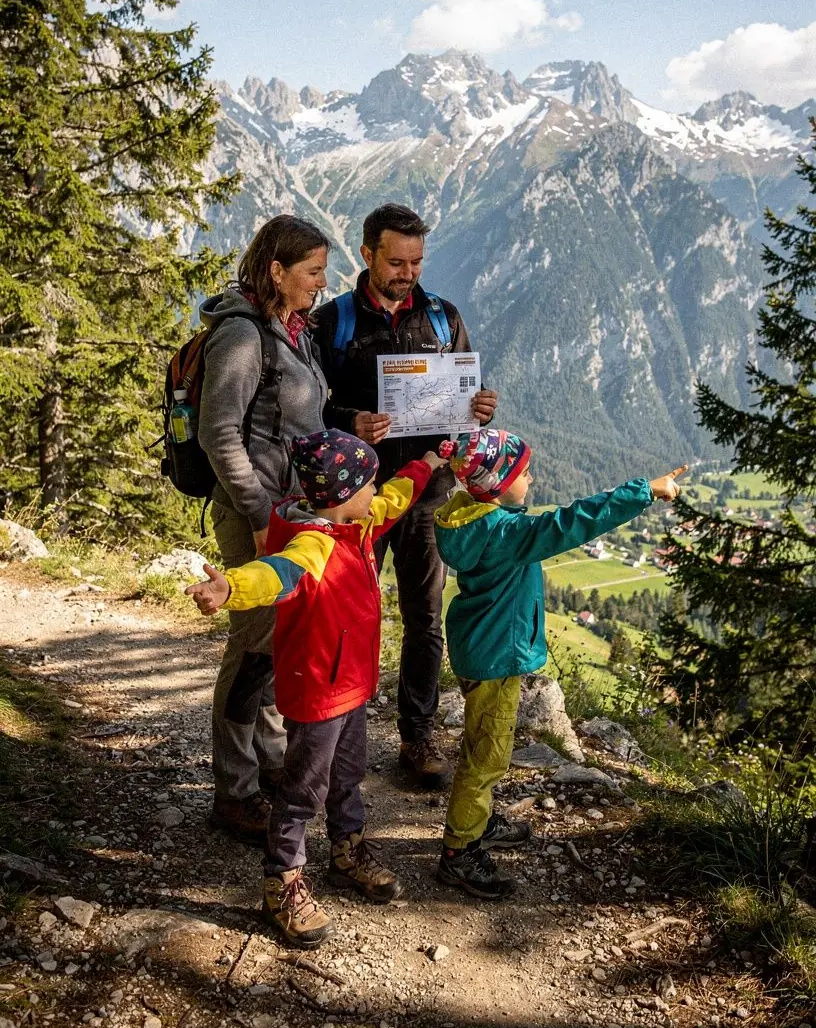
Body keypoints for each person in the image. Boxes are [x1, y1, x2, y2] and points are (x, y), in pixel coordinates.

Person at [186, 428, 445, 948]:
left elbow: (393, 497)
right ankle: (281, 880)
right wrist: (230, 588)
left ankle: (347, 851)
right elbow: (274, 574)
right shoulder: (312, 544)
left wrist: (426, 465)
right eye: (368, 484)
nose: (376, 492)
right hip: (319, 693)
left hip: (349, 686)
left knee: (348, 775)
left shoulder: (355, 523)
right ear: (344, 494)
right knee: (304, 788)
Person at [433, 427, 687, 899]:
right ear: (497, 485)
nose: (532, 478)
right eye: (525, 472)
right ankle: (460, 851)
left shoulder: (468, 517)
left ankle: (477, 822)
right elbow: (573, 522)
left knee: (483, 741)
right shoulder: (507, 533)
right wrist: (644, 491)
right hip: (496, 657)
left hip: (479, 647)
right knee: (486, 756)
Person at [314, 203, 498, 787]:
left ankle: (417, 736)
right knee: (346, 617)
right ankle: (336, 731)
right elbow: (308, 409)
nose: (408, 273)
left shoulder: (443, 318)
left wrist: (481, 407)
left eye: (416, 262)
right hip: (358, 497)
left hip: (427, 494)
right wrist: (350, 420)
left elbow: (466, 397)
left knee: (424, 618)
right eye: (396, 262)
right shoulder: (332, 322)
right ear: (367, 254)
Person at [197, 215, 331, 844]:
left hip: (288, 511)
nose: (321, 283)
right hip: (255, 513)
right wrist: (258, 516)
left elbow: (294, 420)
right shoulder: (243, 335)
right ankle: (235, 790)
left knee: (276, 646)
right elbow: (218, 433)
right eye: (312, 272)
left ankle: (270, 761)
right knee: (252, 647)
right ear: (276, 271)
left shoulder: (291, 331)